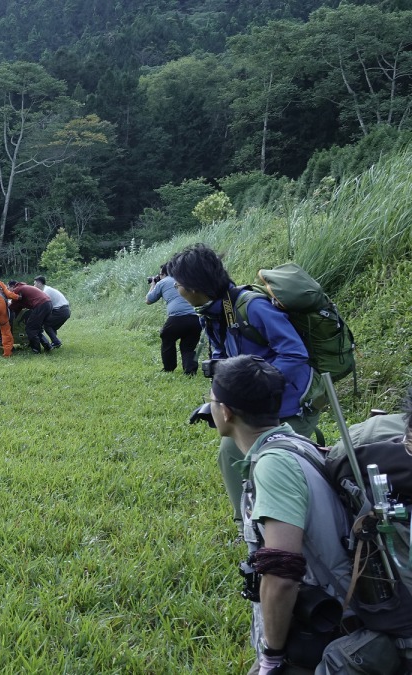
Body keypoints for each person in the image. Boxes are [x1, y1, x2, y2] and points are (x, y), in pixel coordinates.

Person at [208, 356, 408, 675]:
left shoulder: (274, 466)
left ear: (226, 411)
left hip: (331, 628)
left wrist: (271, 658)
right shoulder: (297, 444)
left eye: (212, 400)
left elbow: (281, 572)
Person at [167, 243, 320, 521]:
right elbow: (222, 355)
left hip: (290, 403)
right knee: (230, 453)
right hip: (254, 405)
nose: (177, 290)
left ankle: (274, 524)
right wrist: (219, 392)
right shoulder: (217, 312)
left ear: (191, 287)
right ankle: (246, 525)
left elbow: (295, 353)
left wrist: (251, 385)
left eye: (177, 284)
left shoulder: (253, 306)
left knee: (262, 460)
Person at [145, 263, 201, 375]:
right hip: (195, 319)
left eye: (160, 274)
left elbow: (149, 300)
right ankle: (190, 371)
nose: (159, 276)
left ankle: (169, 368)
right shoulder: (185, 279)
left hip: (177, 318)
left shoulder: (163, 282)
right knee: (188, 346)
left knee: (167, 337)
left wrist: (153, 284)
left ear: (165, 273)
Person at [8, 279, 53, 353]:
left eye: (8, 288)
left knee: (30, 328)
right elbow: (19, 305)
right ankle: (47, 346)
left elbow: (14, 304)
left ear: (12, 286)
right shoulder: (24, 287)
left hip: (40, 305)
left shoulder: (17, 289)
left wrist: (9, 306)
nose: (9, 291)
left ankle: (36, 350)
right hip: (48, 304)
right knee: (36, 328)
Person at [33, 275, 69, 349]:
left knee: (47, 325)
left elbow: (44, 306)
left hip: (60, 311)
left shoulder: (46, 292)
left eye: (35, 283)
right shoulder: (47, 289)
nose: (34, 286)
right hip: (65, 310)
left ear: (39, 283)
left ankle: (56, 342)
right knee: (52, 327)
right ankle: (55, 342)